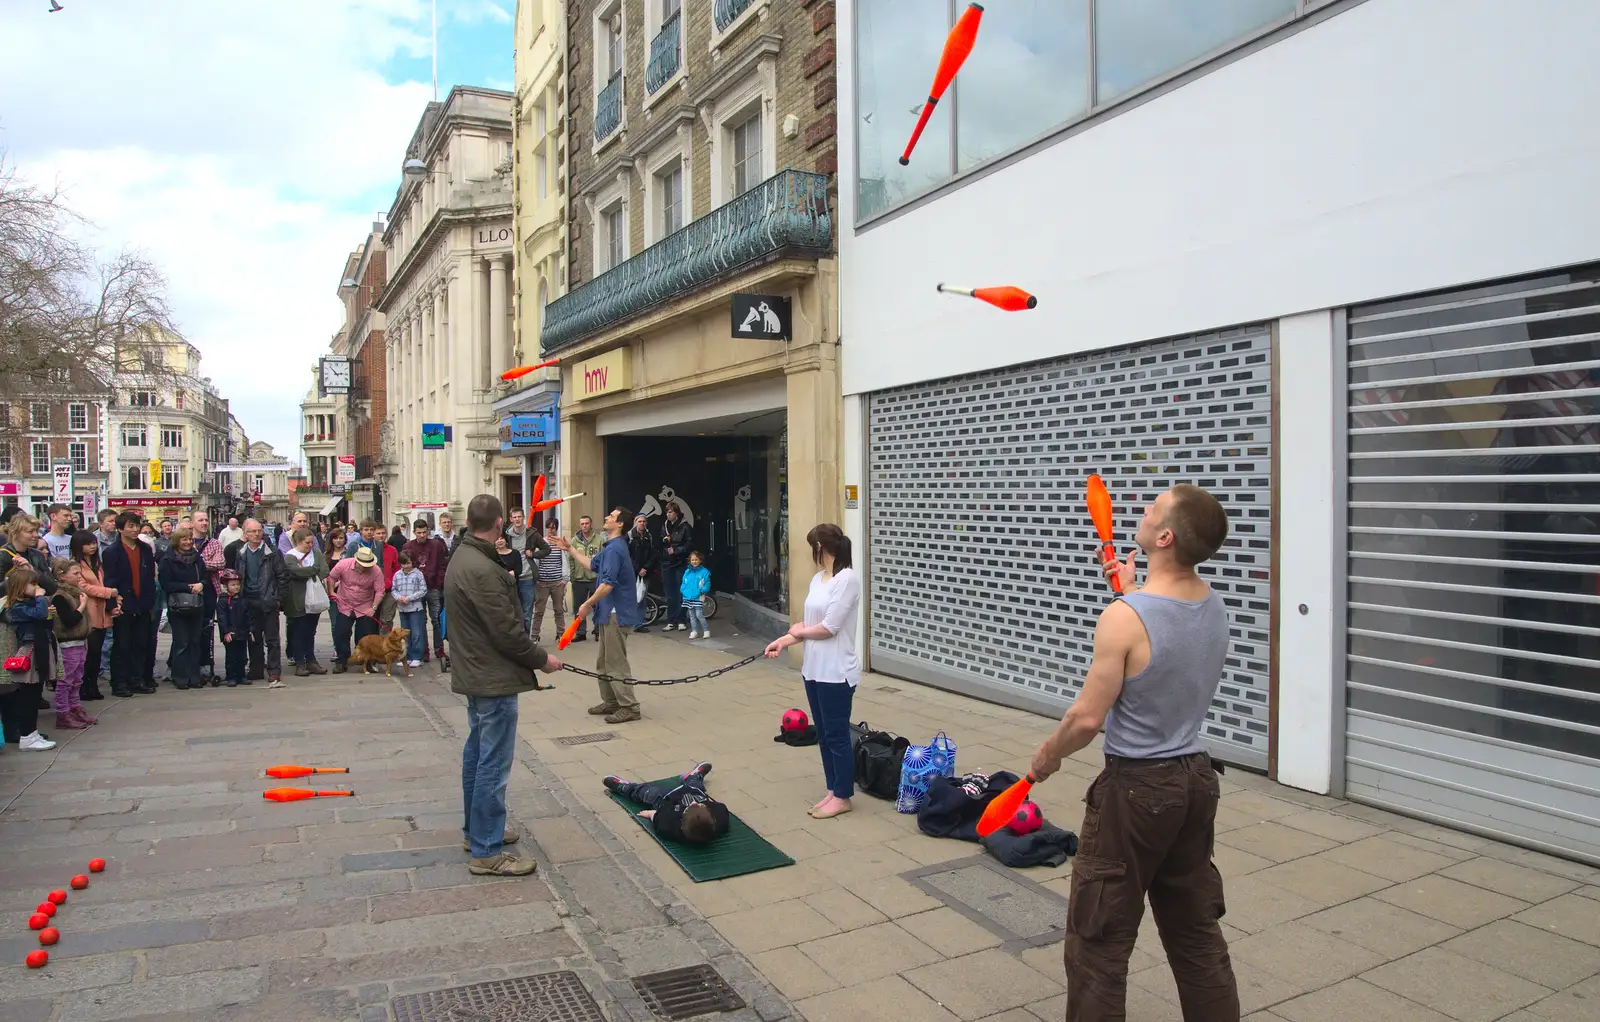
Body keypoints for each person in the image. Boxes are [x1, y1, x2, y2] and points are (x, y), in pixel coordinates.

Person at [1028, 483, 1240, 1020]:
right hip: (1195, 781)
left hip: (1137, 793)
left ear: (1164, 536)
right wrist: (1130, 590)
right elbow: (1167, 634)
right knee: (1196, 936)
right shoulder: (1212, 606)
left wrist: (1048, 757)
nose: (1139, 513)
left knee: (1098, 944)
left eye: (1151, 510)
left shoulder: (1125, 617)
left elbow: (1086, 719)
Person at [443, 493, 562, 877]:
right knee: (492, 763)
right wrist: (543, 660)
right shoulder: (481, 568)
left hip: (478, 671)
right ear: (498, 524)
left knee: (477, 756)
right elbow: (507, 633)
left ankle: (476, 832)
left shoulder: (465, 555)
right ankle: (486, 850)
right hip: (490, 677)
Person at [763, 524, 862, 820]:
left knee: (837, 735)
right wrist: (782, 641)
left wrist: (800, 631)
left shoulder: (847, 580)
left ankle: (843, 796)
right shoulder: (819, 579)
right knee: (824, 735)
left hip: (836, 672)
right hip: (814, 670)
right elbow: (807, 626)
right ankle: (833, 789)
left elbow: (828, 628)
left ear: (819, 548)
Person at [552, 506, 642, 724]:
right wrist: (570, 550)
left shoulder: (615, 549)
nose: (606, 517)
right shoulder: (611, 546)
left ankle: (629, 706)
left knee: (615, 662)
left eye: (611, 516)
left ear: (619, 524)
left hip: (615, 613)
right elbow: (593, 565)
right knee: (603, 662)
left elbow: (608, 584)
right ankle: (612, 701)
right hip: (607, 613)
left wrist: (587, 604)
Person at [102, 512, 158, 698]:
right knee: (122, 645)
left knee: (140, 644)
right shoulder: (111, 552)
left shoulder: (145, 549)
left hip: (142, 604)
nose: (135, 530)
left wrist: (149, 600)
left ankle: (137, 679)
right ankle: (119, 682)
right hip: (123, 604)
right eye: (130, 526)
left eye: (136, 526)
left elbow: (150, 576)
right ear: (120, 529)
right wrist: (112, 605)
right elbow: (109, 581)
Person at [0, 565, 56, 750]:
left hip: (41, 647)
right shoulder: (16, 607)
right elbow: (39, 615)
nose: (36, 587)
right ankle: (27, 735)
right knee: (28, 696)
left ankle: (32, 733)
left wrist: (48, 612)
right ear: (21, 586)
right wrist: (41, 599)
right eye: (32, 584)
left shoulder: (31, 603)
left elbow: (45, 620)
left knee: (35, 693)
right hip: (29, 651)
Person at [603, 761, 728, 844]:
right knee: (695, 785)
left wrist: (651, 814)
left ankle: (624, 787)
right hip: (695, 791)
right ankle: (693, 777)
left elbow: (657, 816)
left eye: (689, 807)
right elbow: (721, 807)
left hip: (666, 798)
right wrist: (706, 801)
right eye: (700, 806)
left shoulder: (669, 826)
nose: (693, 803)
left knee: (646, 792)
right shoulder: (720, 819)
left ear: (680, 821)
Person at [226, 519, 285, 685]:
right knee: (253, 637)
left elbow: (282, 576)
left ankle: (274, 671)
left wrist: (278, 598)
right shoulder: (240, 553)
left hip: (268, 600)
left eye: (259, 531)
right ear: (245, 534)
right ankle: (256, 669)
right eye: (252, 531)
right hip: (248, 600)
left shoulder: (272, 552)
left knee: (272, 639)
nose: (256, 534)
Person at [158, 526, 209, 691]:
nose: (187, 542)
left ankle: (194, 676)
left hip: (196, 604)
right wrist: (188, 587)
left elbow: (205, 576)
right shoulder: (168, 560)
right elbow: (166, 583)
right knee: (182, 642)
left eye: (189, 539)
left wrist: (201, 584)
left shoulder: (197, 558)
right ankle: (180, 676)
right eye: (184, 539)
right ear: (177, 541)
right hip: (178, 605)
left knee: (195, 641)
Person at [69, 530, 116, 702]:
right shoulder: (75, 565)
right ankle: (84, 687)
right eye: (88, 543)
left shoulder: (97, 564)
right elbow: (84, 587)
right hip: (88, 612)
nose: (93, 546)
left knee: (97, 653)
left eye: (94, 543)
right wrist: (108, 592)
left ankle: (93, 685)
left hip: (102, 612)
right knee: (89, 653)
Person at [49, 557, 95, 728]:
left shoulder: (75, 592)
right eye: (75, 573)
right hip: (68, 643)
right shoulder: (60, 597)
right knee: (66, 680)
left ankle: (75, 707)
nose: (79, 576)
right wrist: (82, 606)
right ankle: (63, 712)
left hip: (80, 641)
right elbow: (69, 621)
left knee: (77, 678)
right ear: (62, 576)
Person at [280, 527, 329, 681]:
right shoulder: (290, 556)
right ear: (299, 542)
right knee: (299, 631)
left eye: (311, 542)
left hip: (314, 597)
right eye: (307, 543)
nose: (310, 545)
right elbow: (294, 572)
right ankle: (300, 661)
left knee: (310, 631)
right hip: (297, 598)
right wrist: (313, 570)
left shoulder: (316, 553)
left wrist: (309, 571)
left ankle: (311, 660)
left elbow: (324, 570)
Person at [327, 545, 384, 673]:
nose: (364, 567)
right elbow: (331, 577)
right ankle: (342, 661)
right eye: (362, 564)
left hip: (365, 605)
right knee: (341, 632)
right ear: (356, 560)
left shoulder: (376, 571)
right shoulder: (343, 564)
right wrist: (331, 591)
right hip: (344, 604)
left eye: (367, 564)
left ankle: (367, 661)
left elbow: (380, 591)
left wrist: (373, 608)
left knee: (365, 635)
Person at [402, 519, 448, 661]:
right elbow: (404, 566)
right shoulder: (408, 546)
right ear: (414, 532)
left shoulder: (436, 545)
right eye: (419, 532)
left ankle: (439, 649)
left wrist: (439, 581)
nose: (422, 535)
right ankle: (423, 650)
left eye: (424, 532)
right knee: (420, 621)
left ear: (428, 531)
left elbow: (442, 564)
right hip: (415, 590)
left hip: (433, 586)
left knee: (436, 619)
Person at [567, 516, 602, 643]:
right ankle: (580, 632)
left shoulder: (599, 540)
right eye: (582, 523)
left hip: (594, 578)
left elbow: (603, 558)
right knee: (578, 607)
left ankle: (598, 631)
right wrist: (572, 575)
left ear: (591, 524)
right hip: (579, 578)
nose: (584, 526)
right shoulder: (575, 541)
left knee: (598, 606)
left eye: (587, 523)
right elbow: (571, 559)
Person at [530, 517, 566, 640]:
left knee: (559, 610)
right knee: (539, 611)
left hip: (557, 582)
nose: (551, 530)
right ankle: (534, 635)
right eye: (549, 527)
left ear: (556, 528)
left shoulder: (560, 543)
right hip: (542, 583)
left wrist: (564, 580)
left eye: (553, 527)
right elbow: (535, 562)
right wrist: (536, 580)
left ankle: (561, 634)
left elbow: (564, 562)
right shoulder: (541, 543)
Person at [659, 502, 692, 631]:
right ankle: (671, 620)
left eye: (671, 512)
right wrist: (664, 541)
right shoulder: (665, 526)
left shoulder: (685, 527)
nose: (668, 514)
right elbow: (660, 542)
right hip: (667, 563)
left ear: (676, 513)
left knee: (681, 592)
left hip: (681, 562)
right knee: (670, 593)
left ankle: (681, 620)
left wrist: (677, 550)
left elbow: (690, 544)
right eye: (667, 512)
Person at [215, 569, 252, 687]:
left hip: (242, 633)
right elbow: (222, 618)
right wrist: (226, 632)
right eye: (233, 585)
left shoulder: (242, 600)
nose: (236, 587)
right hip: (230, 634)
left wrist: (250, 629)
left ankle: (241, 676)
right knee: (231, 657)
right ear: (226, 586)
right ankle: (231, 676)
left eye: (238, 584)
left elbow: (248, 616)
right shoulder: (223, 601)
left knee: (242, 656)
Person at [392, 551, 428, 668]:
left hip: (415, 608)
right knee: (405, 634)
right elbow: (394, 590)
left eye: (408, 563)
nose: (406, 566)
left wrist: (410, 598)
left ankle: (417, 656)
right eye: (403, 564)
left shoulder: (418, 574)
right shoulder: (397, 575)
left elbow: (423, 590)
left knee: (416, 634)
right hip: (402, 609)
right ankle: (408, 656)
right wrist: (399, 598)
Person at [625, 514, 656, 634]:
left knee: (642, 598)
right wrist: (638, 569)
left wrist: (645, 568)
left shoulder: (649, 536)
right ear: (635, 522)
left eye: (644, 521)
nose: (642, 523)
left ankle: (639, 624)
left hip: (645, 572)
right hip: (632, 572)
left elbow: (653, 554)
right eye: (639, 521)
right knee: (631, 598)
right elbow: (628, 555)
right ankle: (629, 623)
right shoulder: (629, 536)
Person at [680, 551, 712, 639]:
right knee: (691, 615)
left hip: (698, 596)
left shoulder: (704, 572)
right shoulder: (687, 571)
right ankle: (694, 631)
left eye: (696, 560)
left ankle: (706, 630)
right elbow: (684, 582)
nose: (694, 561)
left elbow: (707, 584)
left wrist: (702, 591)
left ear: (700, 560)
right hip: (688, 596)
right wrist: (683, 590)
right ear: (690, 561)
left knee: (699, 614)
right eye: (692, 560)